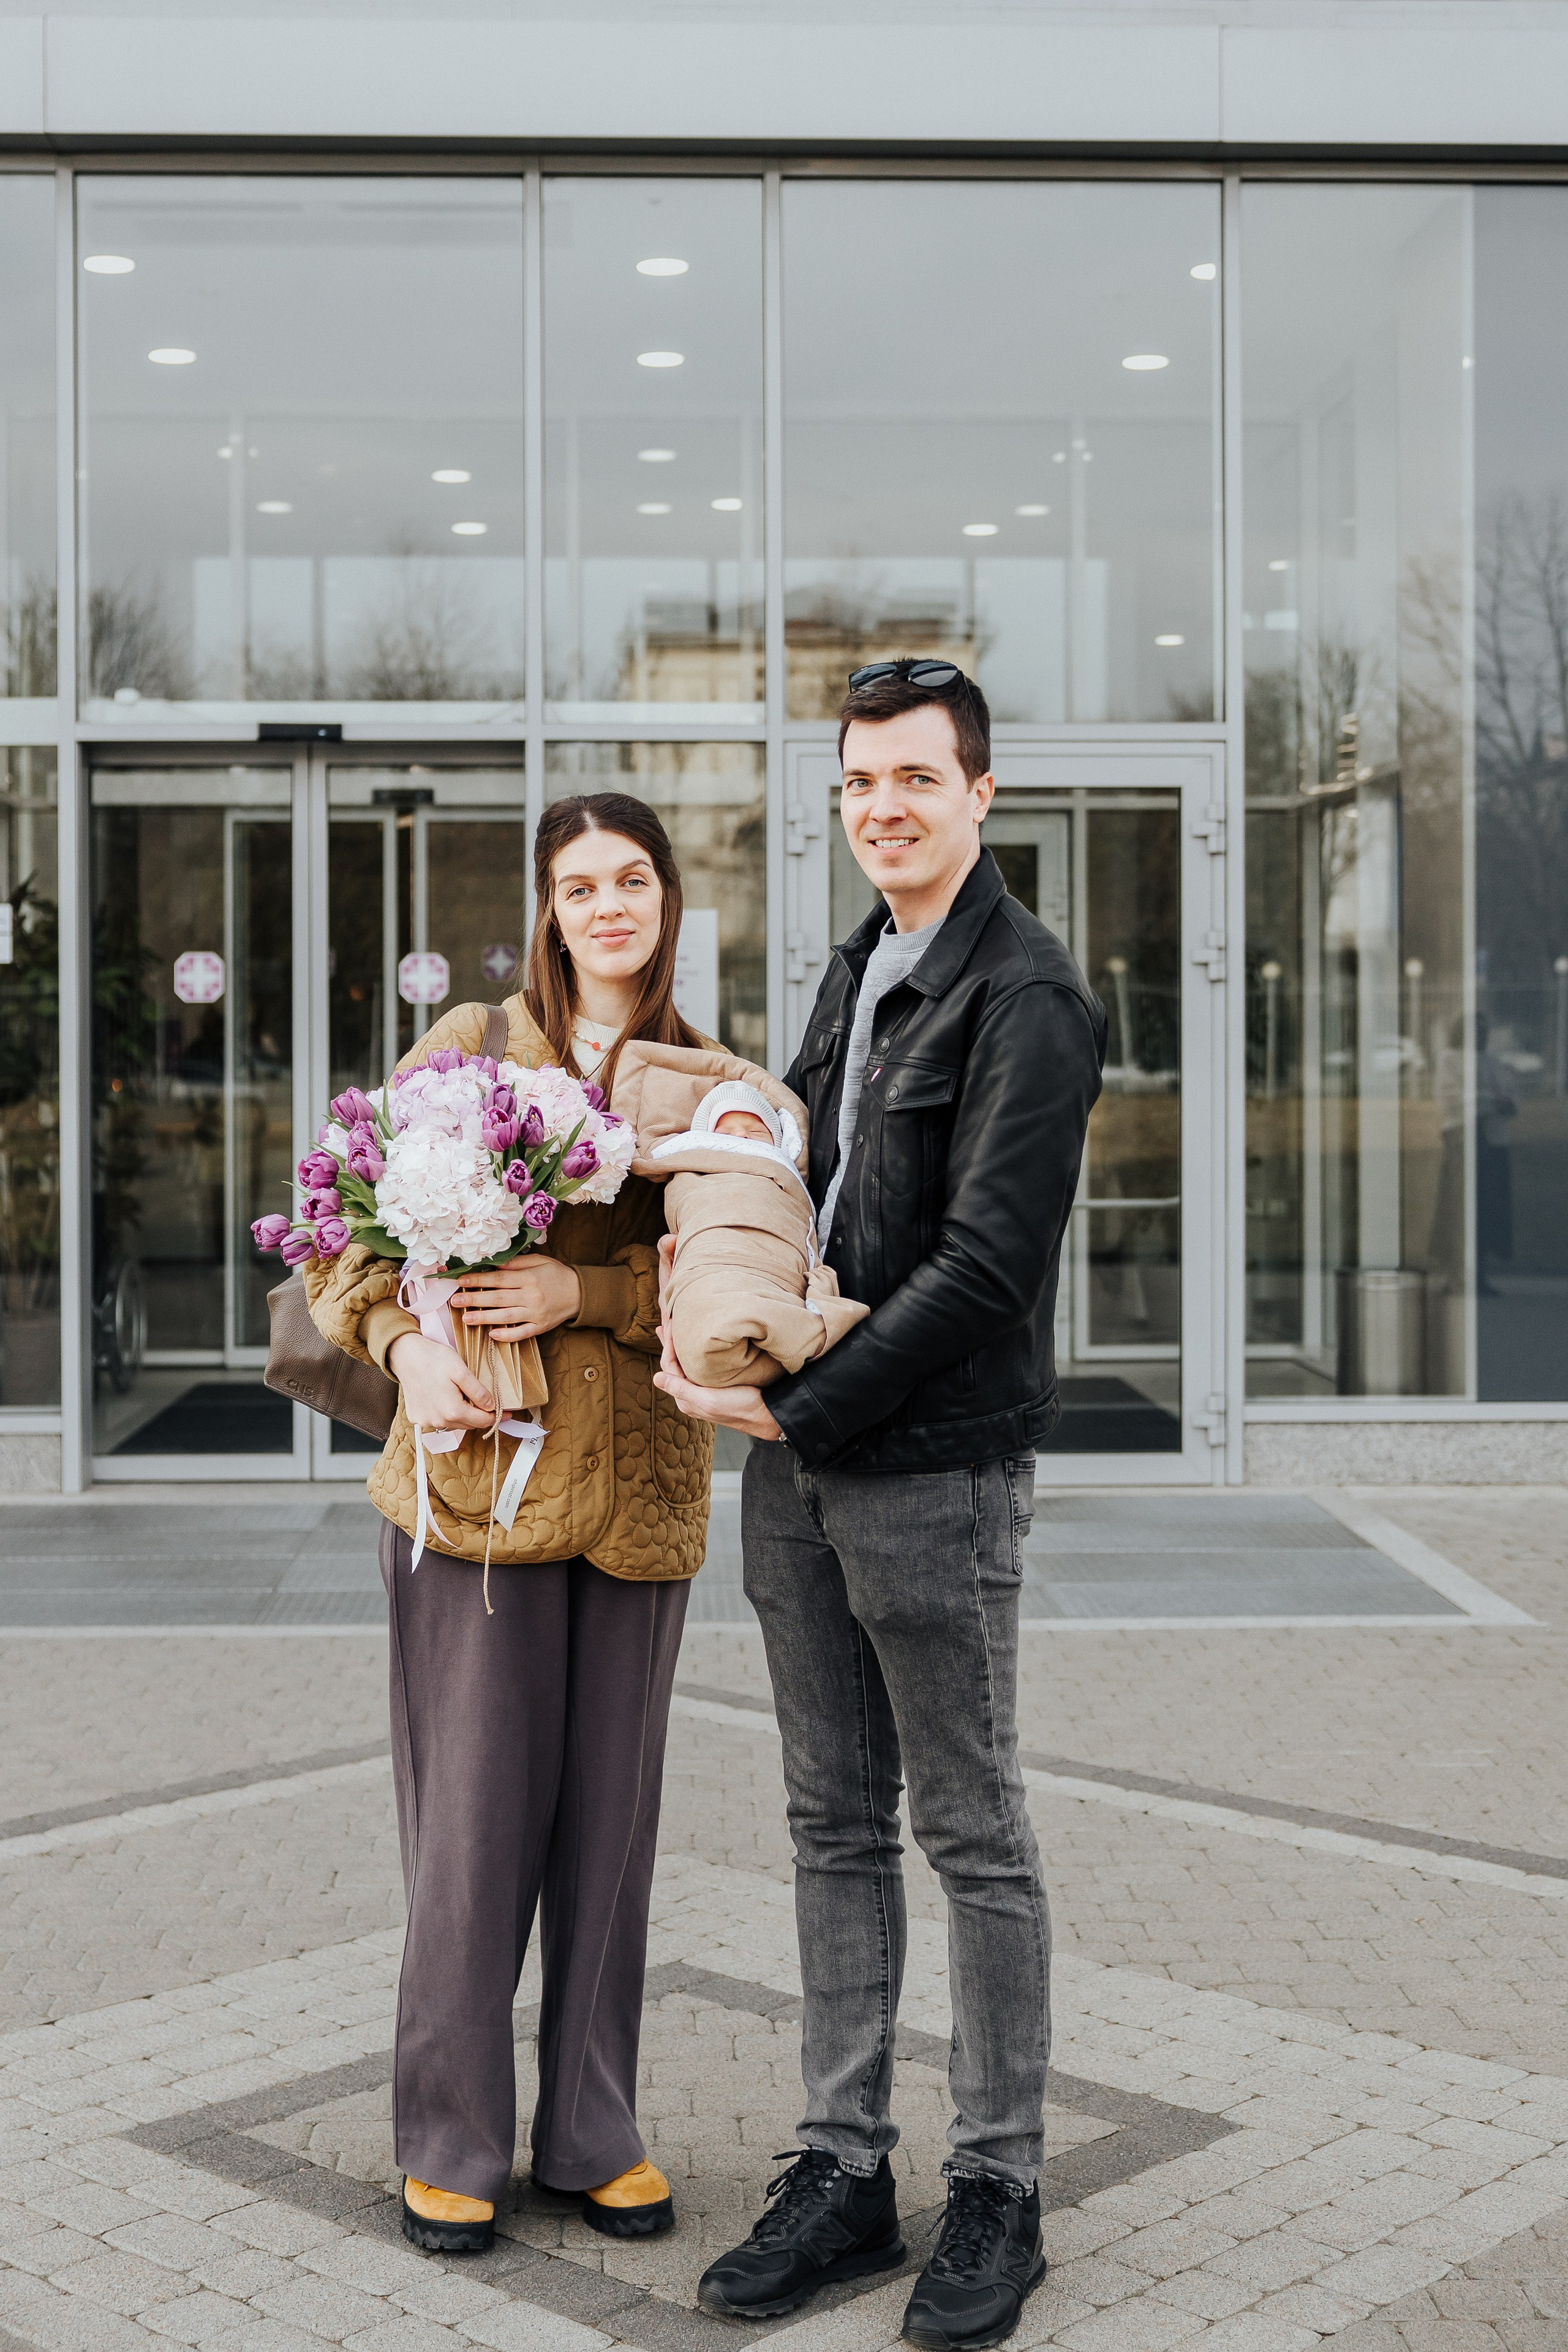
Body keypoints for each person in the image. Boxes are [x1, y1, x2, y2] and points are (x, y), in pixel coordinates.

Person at [655, 661, 1106, 2351]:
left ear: (982, 795)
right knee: (829, 1824)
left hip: (930, 1469)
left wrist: (802, 1403)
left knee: (973, 1834)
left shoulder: (1028, 996)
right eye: (861, 785)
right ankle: (844, 2168)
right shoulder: (860, 967)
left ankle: (1001, 2186)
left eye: (917, 780)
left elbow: (991, 1267)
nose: (886, 809)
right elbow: (811, 1190)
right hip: (803, 1470)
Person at [304, 792, 714, 2256]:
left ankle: (591, 2131)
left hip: (640, 1503)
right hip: (476, 1496)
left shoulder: (715, 1079)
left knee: (608, 1841)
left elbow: (742, 1282)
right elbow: (341, 1234)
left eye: (631, 879)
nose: (607, 905)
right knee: (472, 1834)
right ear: (547, 907)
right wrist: (409, 1354)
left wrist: (583, 1295)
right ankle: (451, 2137)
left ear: (668, 897)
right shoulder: (470, 1051)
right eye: (577, 884)